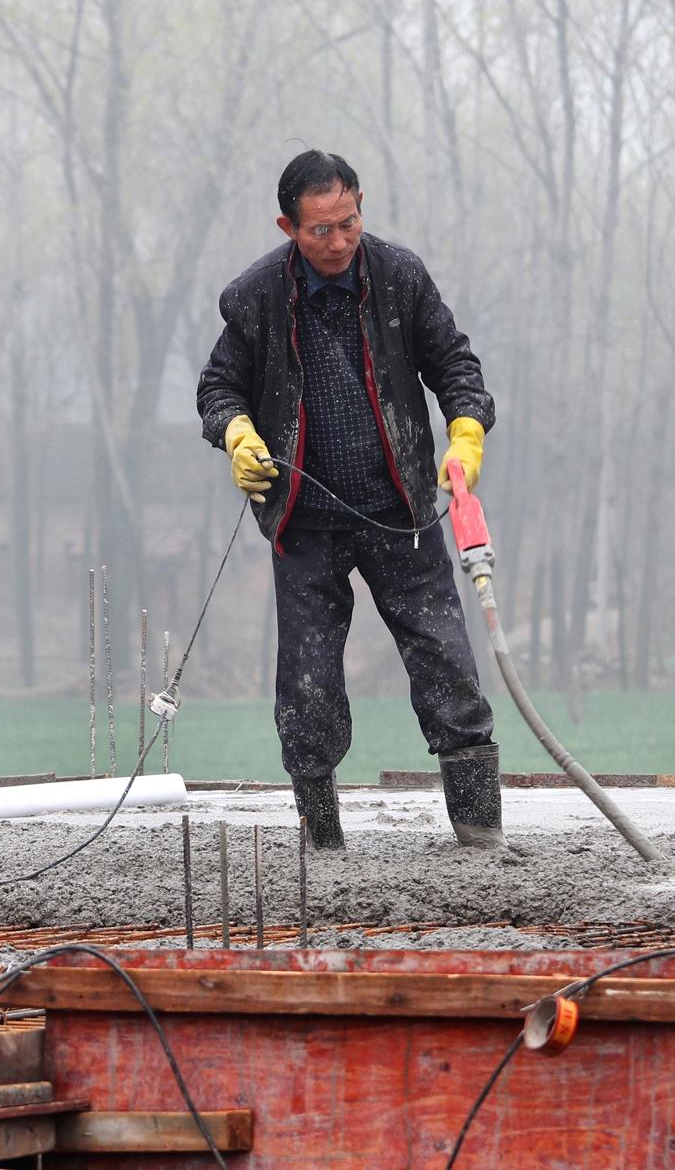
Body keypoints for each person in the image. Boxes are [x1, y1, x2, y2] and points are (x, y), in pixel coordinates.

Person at [195, 150, 502, 850]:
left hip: (403, 514)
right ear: (287, 226)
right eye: (320, 229)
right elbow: (218, 390)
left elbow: (456, 365)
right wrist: (236, 433)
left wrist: (465, 432)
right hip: (304, 522)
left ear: (361, 204)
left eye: (349, 222)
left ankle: (481, 836)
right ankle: (321, 837)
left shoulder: (400, 277)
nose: (338, 241)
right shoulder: (256, 297)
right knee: (307, 686)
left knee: (448, 662)